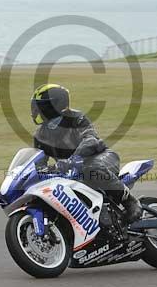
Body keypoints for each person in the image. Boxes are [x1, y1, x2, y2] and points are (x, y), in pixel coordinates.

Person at [30, 83, 142, 222]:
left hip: (100, 157)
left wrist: (75, 157)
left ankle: (130, 202)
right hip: (71, 170)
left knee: (90, 169)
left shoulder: (76, 117)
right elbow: (38, 161)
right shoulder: (40, 135)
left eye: (41, 106)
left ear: (54, 105)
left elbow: (90, 139)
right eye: (35, 106)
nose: (36, 110)